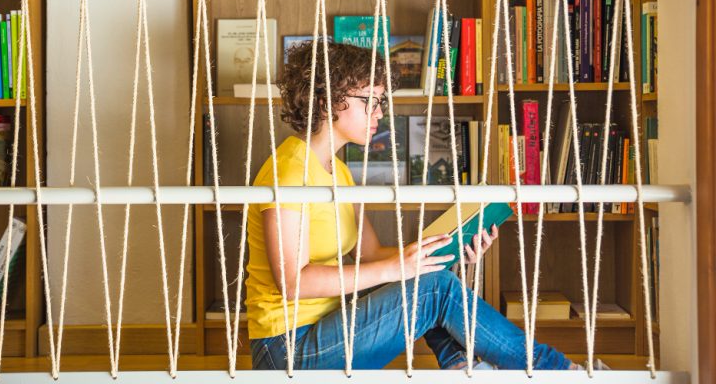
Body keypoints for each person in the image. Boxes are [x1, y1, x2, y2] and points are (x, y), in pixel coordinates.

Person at [245, 42, 582, 371]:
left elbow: (371, 252)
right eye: (369, 101)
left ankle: (462, 366)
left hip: (326, 328)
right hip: (286, 347)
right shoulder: (288, 170)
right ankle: (558, 371)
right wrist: (399, 269)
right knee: (434, 288)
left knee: (433, 273)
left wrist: (447, 250)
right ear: (324, 103)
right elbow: (292, 284)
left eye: (381, 101)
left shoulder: (339, 171)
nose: (379, 112)